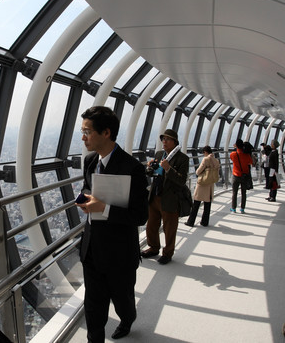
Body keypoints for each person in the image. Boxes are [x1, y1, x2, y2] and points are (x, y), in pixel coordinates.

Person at [75, 106, 148, 342]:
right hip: (93, 250)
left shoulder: (132, 168)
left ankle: (127, 319)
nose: (83, 137)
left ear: (106, 133)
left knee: (123, 301)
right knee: (93, 309)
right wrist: (86, 200)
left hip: (119, 253)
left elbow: (140, 216)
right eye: (82, 131)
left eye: (87, 131)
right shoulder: (89, 161)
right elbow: (88, 188)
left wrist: (103, 208)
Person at [141, 129, 189, 265]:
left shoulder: (182, 159)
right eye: (163, 139)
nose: (164, 142)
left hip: (170, 198)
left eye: (167, 139)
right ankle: (153, 247)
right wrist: (150, 168)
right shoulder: (159, 154)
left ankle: (167, 253)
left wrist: (169, 169)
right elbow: (153, 173)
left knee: (169, 228)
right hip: (155, 195)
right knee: (151, 225)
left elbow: (181, 180)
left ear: (175, 142)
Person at [185, 146, 219, 227]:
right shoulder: (216, 160)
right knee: (207, 204)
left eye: (203, 152)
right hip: (210, 184)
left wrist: (198, 172)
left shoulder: (206, 159)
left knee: (196, 203)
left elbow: (198, 171)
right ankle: (204, 222)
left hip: (203, 183)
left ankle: (191, 222)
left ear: (205, 152)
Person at [229, 138, 253, 213]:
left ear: (236, 145)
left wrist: (235, 148)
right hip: (244, 176)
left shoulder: (233, 154)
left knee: (234, 193)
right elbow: (250, 162)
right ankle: (242, 208)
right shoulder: (246, 155)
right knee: (243, 193)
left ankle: (233, 208)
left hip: (236, 175)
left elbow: (231, 158)